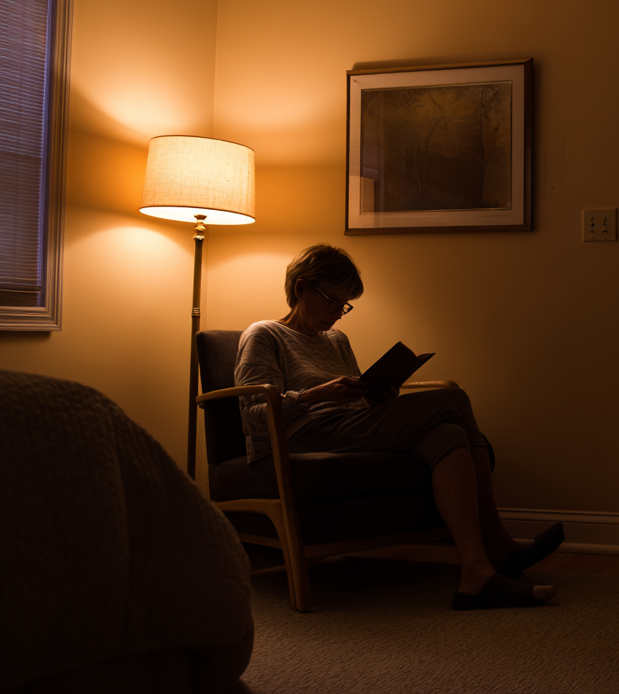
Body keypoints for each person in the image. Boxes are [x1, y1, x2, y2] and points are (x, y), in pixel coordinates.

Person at [235, 244, 563, 610]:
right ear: (301, 288)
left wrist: (377, 396)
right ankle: (498, 544)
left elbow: (355, 403)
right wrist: (316, 394)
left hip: (348, 427)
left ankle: (476, 572)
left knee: (449, 435)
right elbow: (253, 413)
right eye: (332, 302)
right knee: (453, 400)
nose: (338, 313)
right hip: (304, 435)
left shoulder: (336, 340)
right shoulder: (264, 334)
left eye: (345, 305)